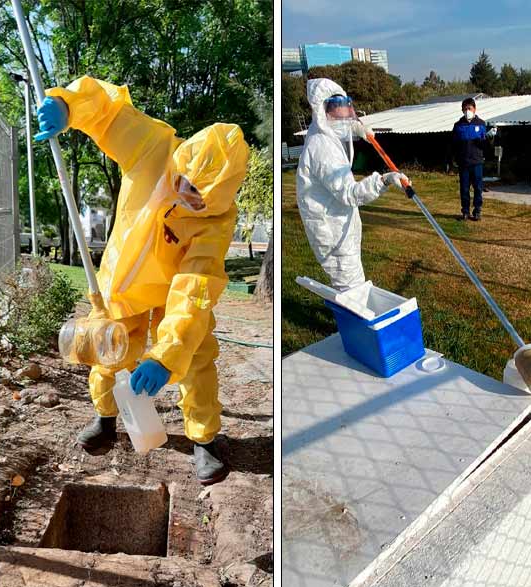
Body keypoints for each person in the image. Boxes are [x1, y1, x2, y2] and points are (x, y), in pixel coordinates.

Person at [35, 76, 249, 485]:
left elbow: (195, 286)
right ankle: (105, 419)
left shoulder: (217, 222)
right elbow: (111, 111)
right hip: (126, 281)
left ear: (220, 196)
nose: (185, 194)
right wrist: (69, 106)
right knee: (109, 347)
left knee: (196, 355)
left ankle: (204, 438)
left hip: (174, 293)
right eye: (183, 182)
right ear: (181, 159)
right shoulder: (153, 145)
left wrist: (165, 355)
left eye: (199, 196)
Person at [296, 78, 409, 291]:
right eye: (336, 109)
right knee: (350, 285)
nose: (344, 114)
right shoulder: (322, 148)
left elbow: (344, 124)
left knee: (351, 280)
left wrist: (359, 128)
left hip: (339, 220)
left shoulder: (322, 130)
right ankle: (354, 322)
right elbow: (350, 193)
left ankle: (352, 315)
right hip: (331, 228)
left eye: (346, 106)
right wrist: (384, 180)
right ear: (323, 111)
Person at [452, 97, 493, 221]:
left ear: (474, 109)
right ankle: (465, 211)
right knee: (464, 188)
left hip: (477, 162)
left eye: (469, 108)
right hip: (463, 163)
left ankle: (477, 211)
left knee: (478, 188)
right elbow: (454, 144)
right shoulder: (458, 125)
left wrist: (489, 139)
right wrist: (453, 159)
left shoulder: (481, 124)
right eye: (464, 109)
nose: (467, 111)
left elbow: (485, 144)